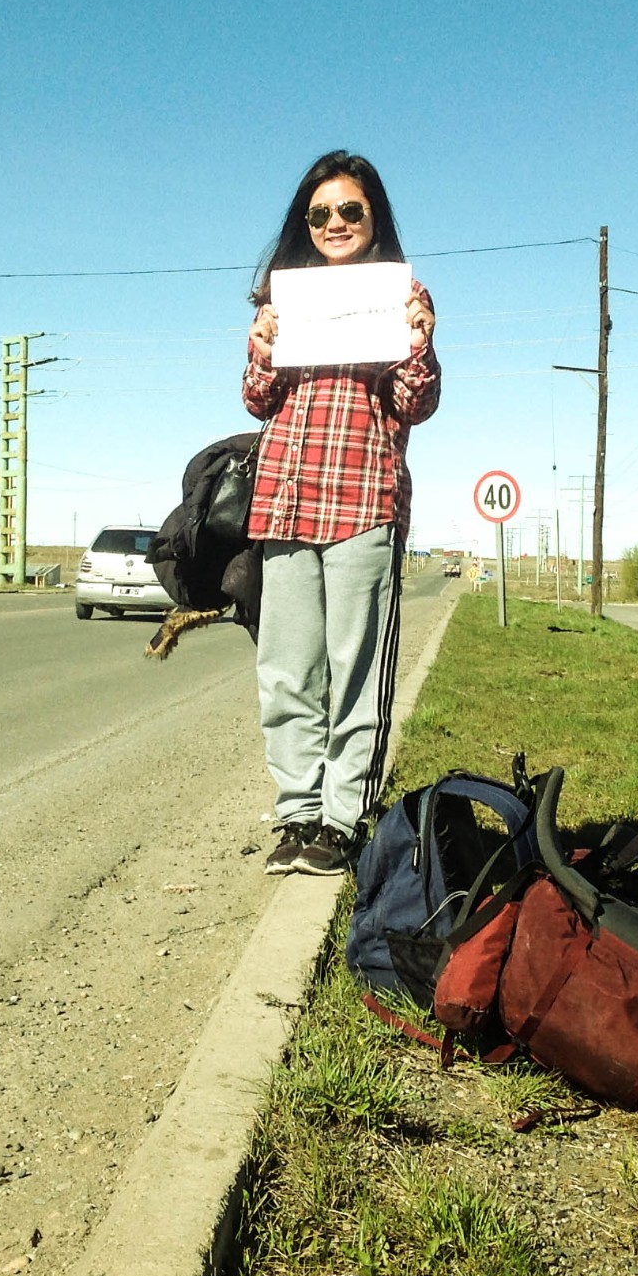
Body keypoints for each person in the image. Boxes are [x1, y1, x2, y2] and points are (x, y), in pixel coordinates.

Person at [242, 151, 440, 876]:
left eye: (349, 211)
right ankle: (296, 814)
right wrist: (263, 347)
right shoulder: (282, 298)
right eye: (320, 213)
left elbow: (416, 402)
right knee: (288, 669)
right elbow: (258, 400)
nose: (334, 223)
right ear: (305, 222)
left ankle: (343, 819)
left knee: (354, 671)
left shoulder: (402, 294)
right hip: (285, 501)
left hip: (362, 500)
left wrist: (419, 339)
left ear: (373, 218)